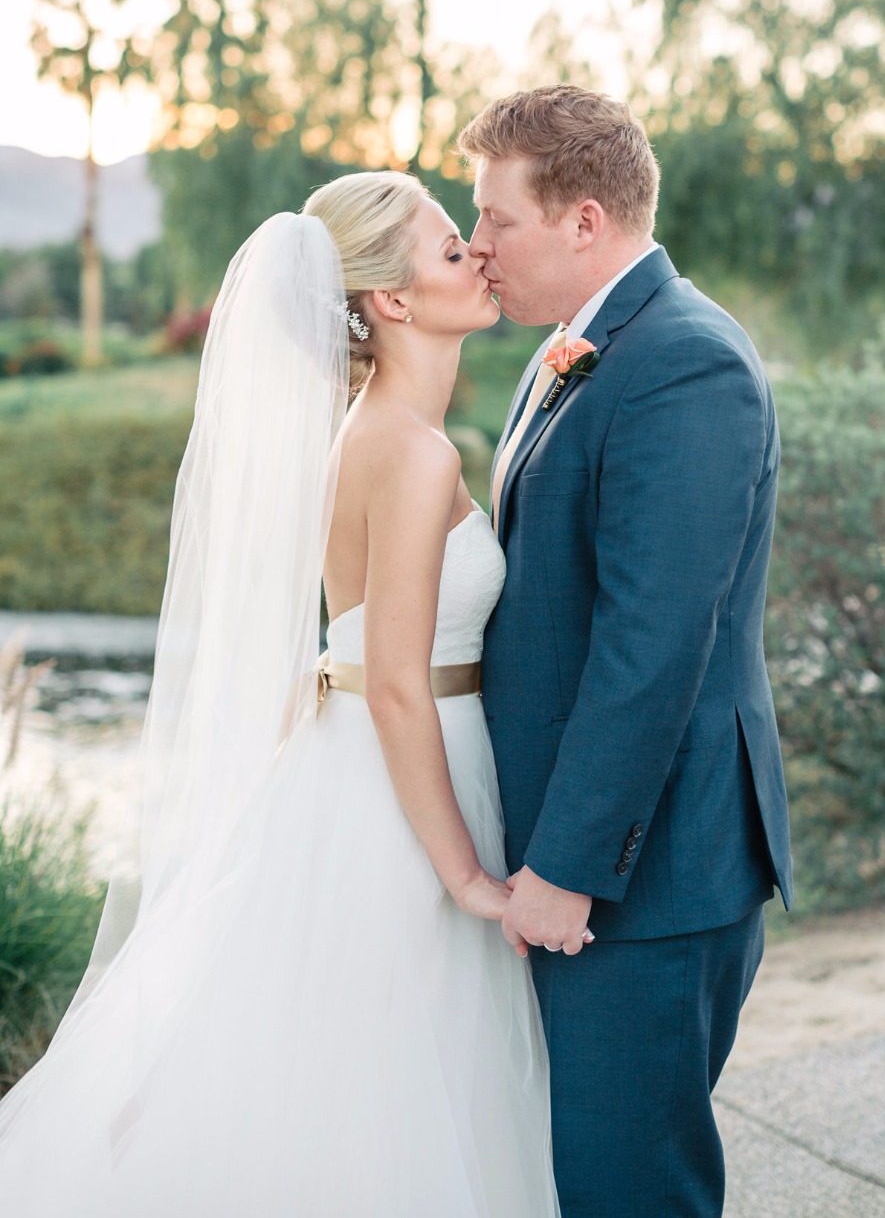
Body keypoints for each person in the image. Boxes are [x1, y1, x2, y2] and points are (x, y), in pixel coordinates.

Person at [0, 172, 561, 1217]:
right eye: (451, 249)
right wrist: (466, 879)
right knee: (393, 1084)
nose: (476, 255)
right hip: (403, 794)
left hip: (357, 767)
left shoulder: (362, 432)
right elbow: (395, 683)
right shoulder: (412, 452)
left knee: (333, 1067)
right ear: (390, 301)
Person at [459, 85, 794, 1218]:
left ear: (584, 221)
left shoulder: (684, 363)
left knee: (626, 1191)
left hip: (641, 880)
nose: (477, 243)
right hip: (585, 858)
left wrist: (565, 867)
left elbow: (651, 648)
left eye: (496, 217)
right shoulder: (579, 347)